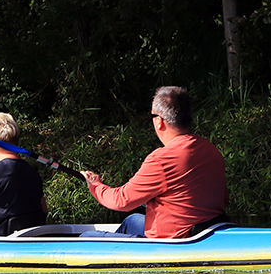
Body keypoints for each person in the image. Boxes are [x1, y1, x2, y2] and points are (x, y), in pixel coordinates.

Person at [81, 86, 228, 238]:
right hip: (205, 231)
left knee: (86, 237)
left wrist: (95, 186)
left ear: (159, 121)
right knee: (132, 221)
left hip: (171, 243)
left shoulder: (162, 159)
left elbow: (121, 200)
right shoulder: (211, 149)